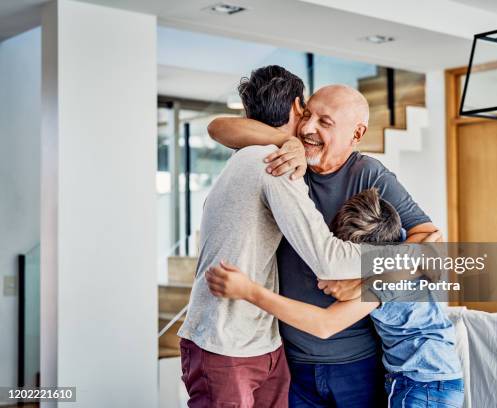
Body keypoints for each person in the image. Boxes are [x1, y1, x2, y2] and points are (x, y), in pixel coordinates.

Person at [208, 84, 441, 406]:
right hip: (291, 359)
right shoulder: (283, 162)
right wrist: (283, 140)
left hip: (357, 361)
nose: (307, 128)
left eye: (325, 122)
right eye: (306, 116)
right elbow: (218, 127)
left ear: (356, 134)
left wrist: (365, 285)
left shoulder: (368, 174)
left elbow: (430, 244)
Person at [177, 66, 365, 408]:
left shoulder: (243, 157)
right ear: (297, 108)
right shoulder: (273, 163)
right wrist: (408, 258)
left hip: (261, 343)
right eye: (307, 112)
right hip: (225, 343)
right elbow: (329, 259)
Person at [206, 188, 464, 408]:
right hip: (429, 377)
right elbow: (433, 238)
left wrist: (249, 291)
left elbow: (325, 324)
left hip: (423, 383)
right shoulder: (404, 244)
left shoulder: (388, 282)